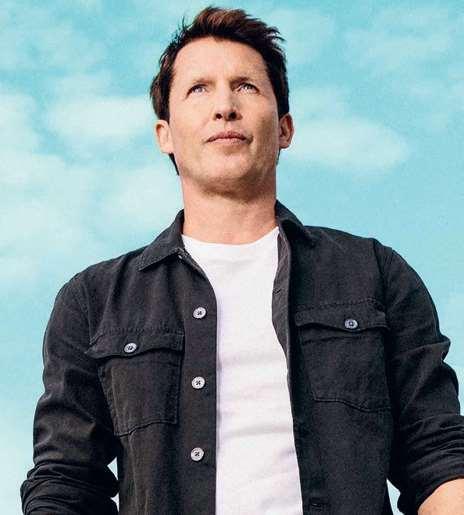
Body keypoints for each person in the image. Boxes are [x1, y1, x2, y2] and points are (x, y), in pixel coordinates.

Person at [20, 5, 464, 515]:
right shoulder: (93, 301)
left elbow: (437, 456)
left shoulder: (375, 274)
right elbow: (66, 483)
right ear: (165, 134)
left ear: (285, 128)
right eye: (199, 89)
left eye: (246, 86)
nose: (225, 107)